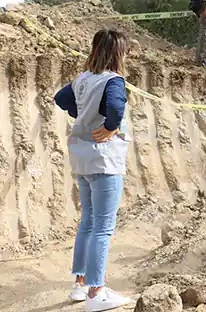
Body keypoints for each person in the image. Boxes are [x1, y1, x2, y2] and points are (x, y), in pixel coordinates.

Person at [54, 29, 132, 311]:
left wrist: (84, 115)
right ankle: (96, 293)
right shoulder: (113, 81)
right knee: (103, 227)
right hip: (104, 160)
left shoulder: (83, 79)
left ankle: (80, 284)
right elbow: (114, 106)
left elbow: (61, 99)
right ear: (117, 53)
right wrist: (110, 127)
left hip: (82, 158)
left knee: (87, 221)